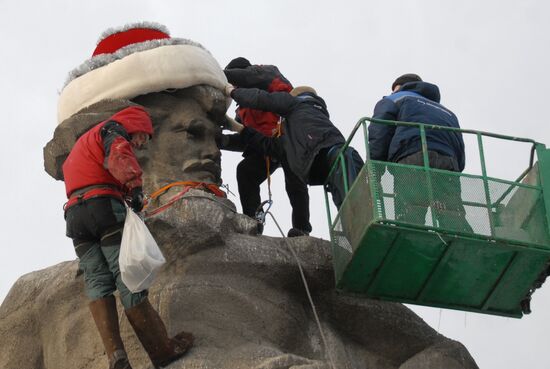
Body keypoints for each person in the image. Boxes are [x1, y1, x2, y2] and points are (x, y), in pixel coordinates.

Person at [62, 106, 193, 369]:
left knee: (97, 282)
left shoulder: (85, 143)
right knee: (128, 276)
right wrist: (134, 189)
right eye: (144, 136)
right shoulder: (112, 130)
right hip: (103, 210)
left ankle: (117, 357)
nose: (142, 143)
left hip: (75, 217)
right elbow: (119, 154)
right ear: (135, 125)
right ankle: (162, 350)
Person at [224, 84, 364, 226]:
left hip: (318, 161)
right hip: (323, 162)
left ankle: (357, 224)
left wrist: (232, 92)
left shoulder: (297, 103)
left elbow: (261, 98)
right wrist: (238, 128)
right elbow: (271, 146)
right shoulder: (297, 127)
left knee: (342, 182)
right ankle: (351, 227)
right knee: (345, 189)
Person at [369, 73, 472, 233]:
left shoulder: (394, 99)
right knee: (453, 218)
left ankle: (409, 251)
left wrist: (375, 169)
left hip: (412, 158)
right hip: (448, 164)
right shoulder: (447, 112)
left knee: (410, 217)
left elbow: (380, 132)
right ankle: (465, 253)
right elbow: (459, 147)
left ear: (399, 87)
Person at [221, 57, 311, 236]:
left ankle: (302, 229)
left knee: (294, 181)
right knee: (246, 171)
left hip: (288, 136)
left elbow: (246, 78)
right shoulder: (243, 110)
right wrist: (223, 141)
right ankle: (253, 220)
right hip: (266, 146)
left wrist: (215, 75)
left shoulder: (265, 74)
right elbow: (247, 137)